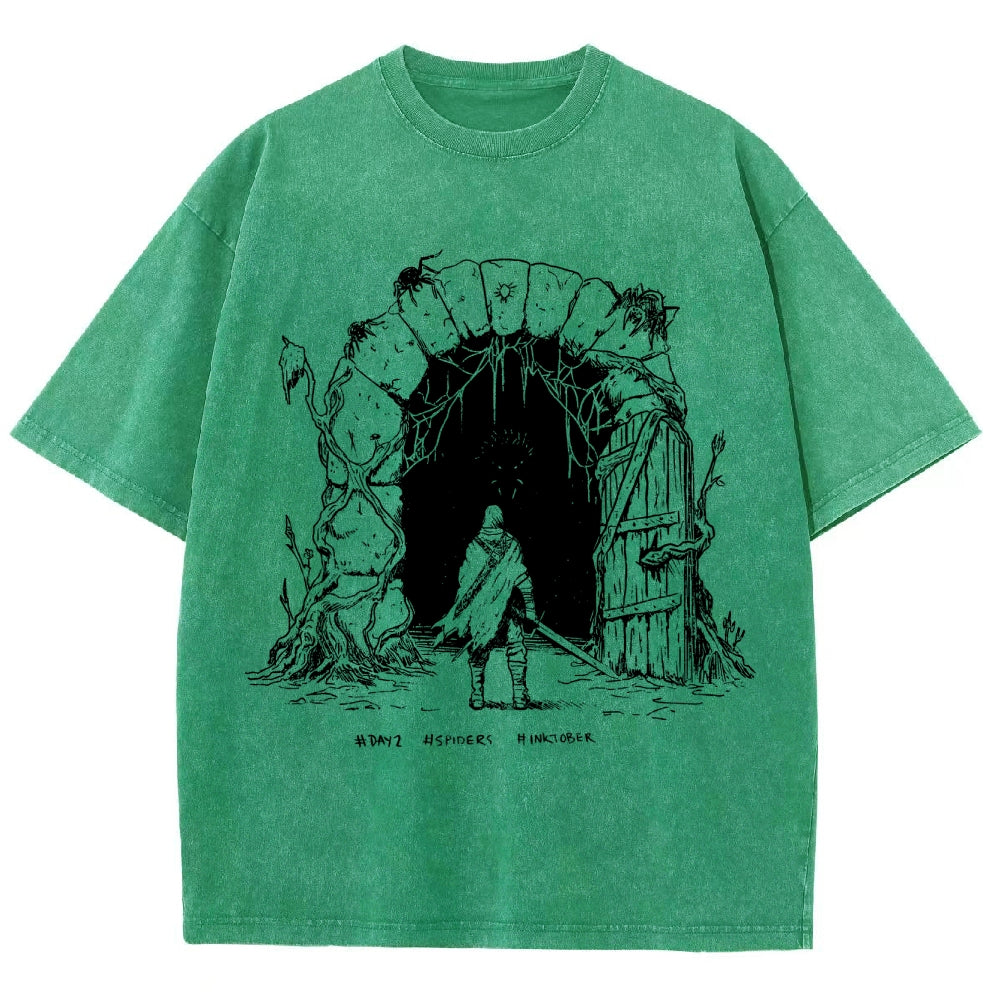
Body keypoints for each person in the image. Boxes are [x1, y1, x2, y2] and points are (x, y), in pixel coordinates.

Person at [435, 505, 536, 710]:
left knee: (478, 649)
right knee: (516, 648)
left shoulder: (474, 546)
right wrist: (531, 612)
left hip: (482, 614)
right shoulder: (512, 544)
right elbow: (523, 580)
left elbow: (465, 581)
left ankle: (477, 695)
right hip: (510, 614)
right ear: (500, 520)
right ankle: (519, 695)